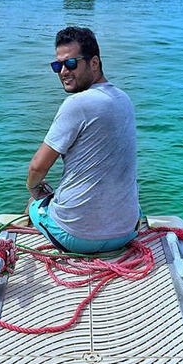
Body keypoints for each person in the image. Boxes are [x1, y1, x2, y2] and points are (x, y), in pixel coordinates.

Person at [26, 26, 140, 254]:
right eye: (57, 66)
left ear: (94, 63)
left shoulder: (76, 104)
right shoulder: (124, 99)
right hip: (127, 232)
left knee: (33, 204)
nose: (63, 72)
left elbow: (37, 167)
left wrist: (34, 190)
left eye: (70, 64)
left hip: (75, 238)